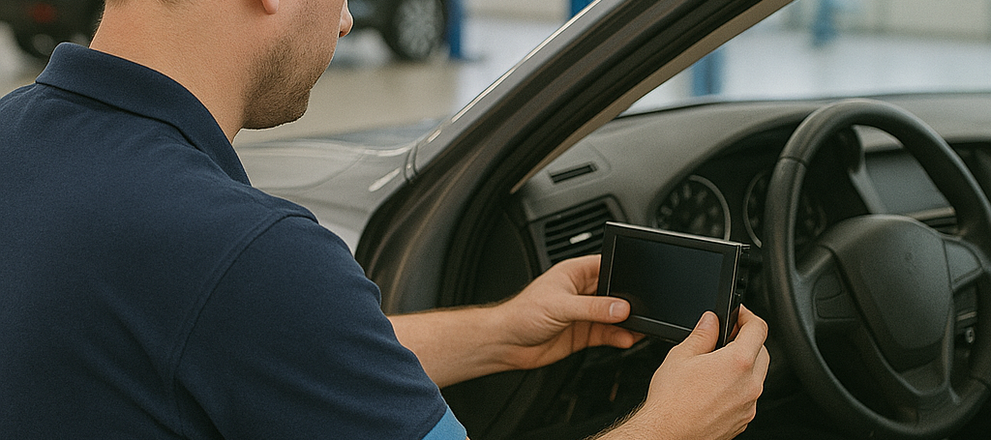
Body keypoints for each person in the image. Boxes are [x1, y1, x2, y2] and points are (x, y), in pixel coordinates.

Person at [0, 0, 770, 438]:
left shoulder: (16, 139)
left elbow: (238, 352)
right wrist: (672, 426)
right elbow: (250, 315)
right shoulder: (245, 252)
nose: (342, 21)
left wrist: (499, 333)